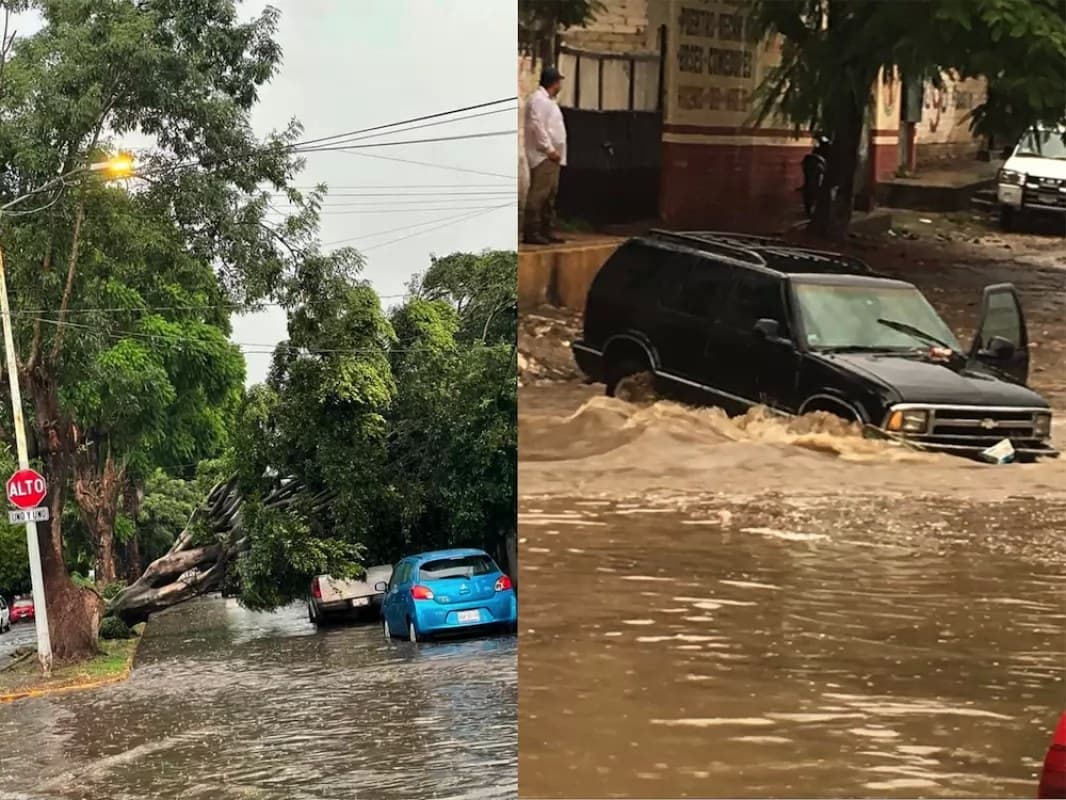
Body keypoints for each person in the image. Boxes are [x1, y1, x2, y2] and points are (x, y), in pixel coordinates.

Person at [523, 65, 567, 245]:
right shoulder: (539, 100)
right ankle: (532, 230)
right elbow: (538, 127)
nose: (560, 86)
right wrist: (549, 149)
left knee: (549, 195)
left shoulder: (548, 100)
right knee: (539, 194)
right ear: (554, 83)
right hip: (544, 156)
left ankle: (546, 229)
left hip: (553, 156)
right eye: (558, 82)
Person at [801, 135, 831, 219]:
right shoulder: (822, 153)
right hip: (816, 174)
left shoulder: (813, 155)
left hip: (813, 174)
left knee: (810, 189)